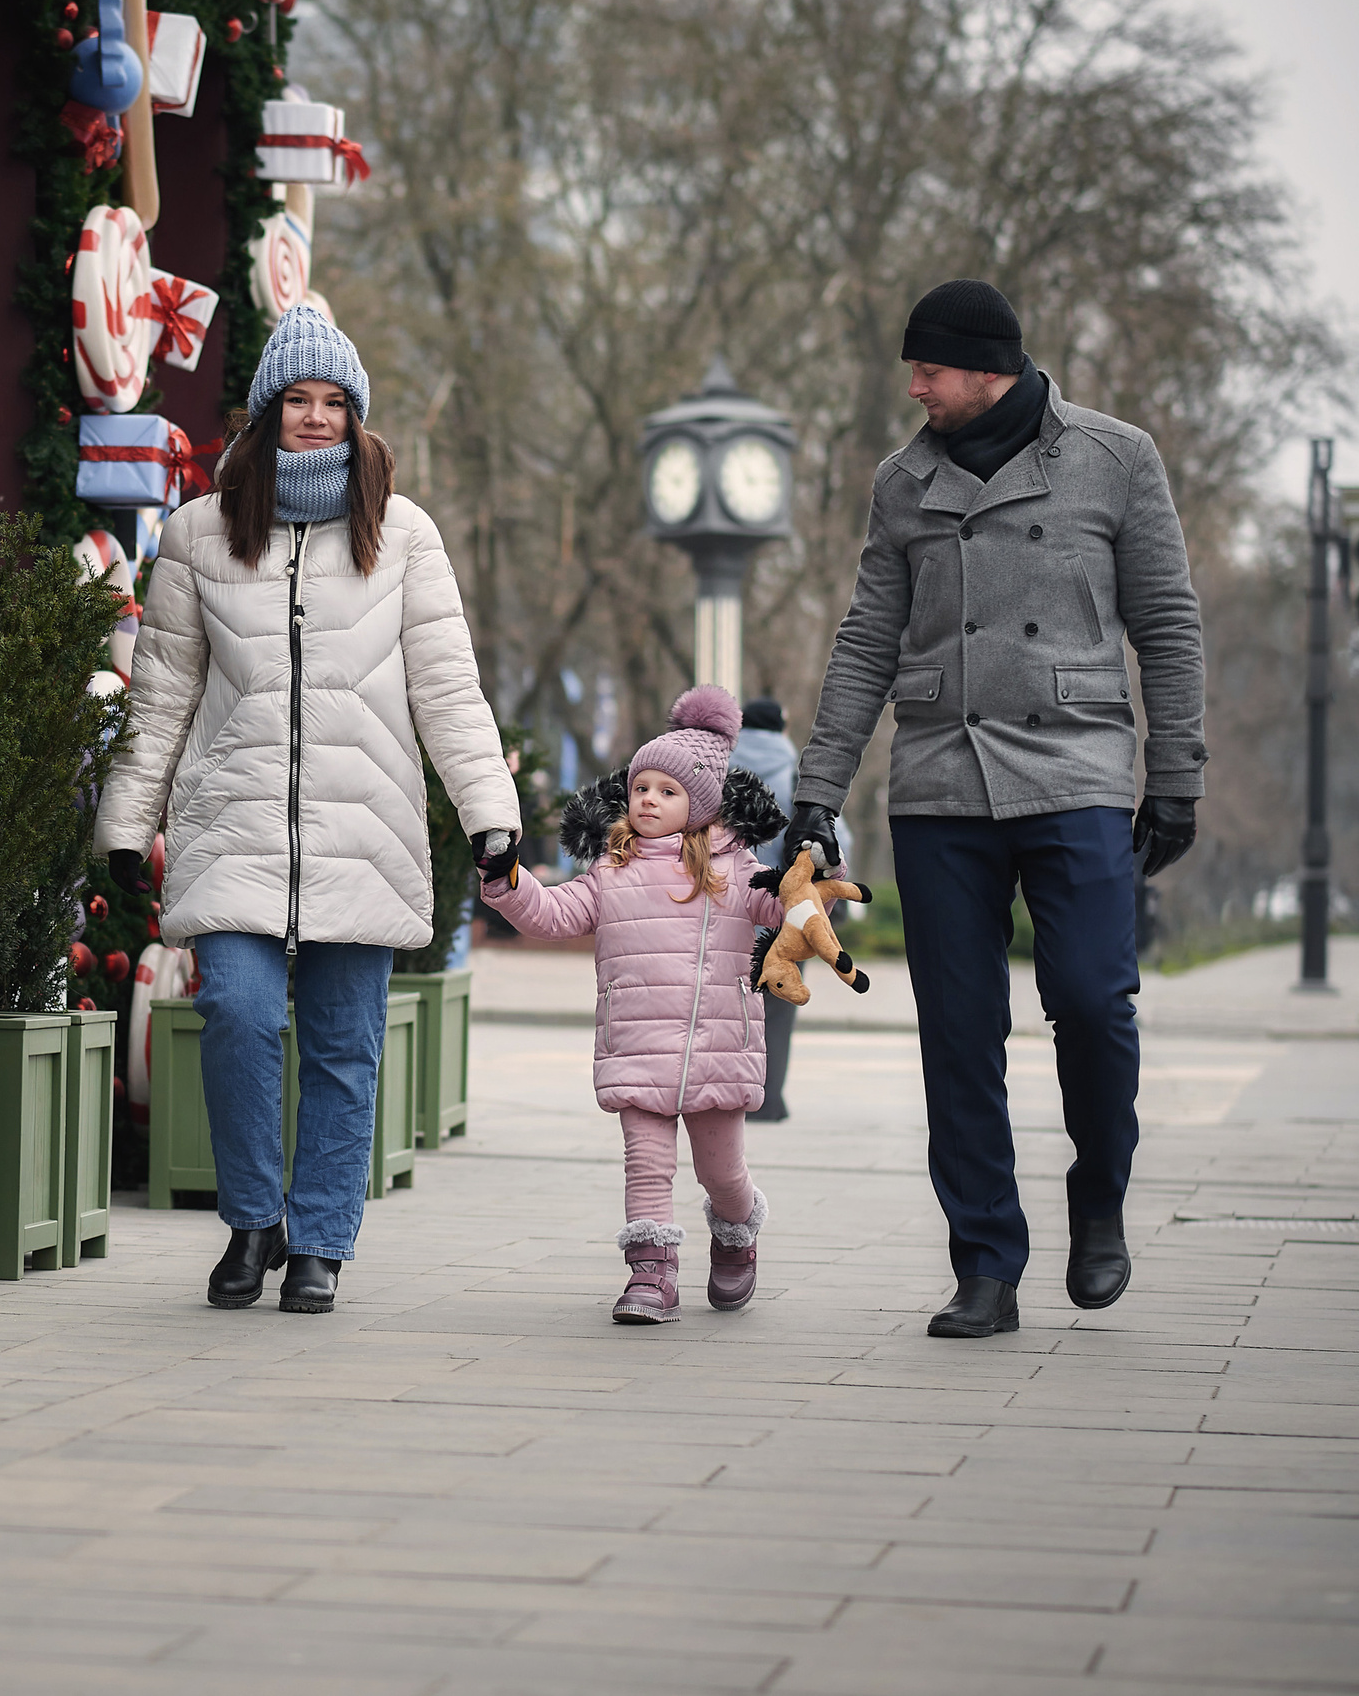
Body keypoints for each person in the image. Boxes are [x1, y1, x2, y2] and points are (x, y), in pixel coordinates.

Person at [783, 279, 1206, 1339]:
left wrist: (1179, 771)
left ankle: (1099, 1192)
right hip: (938, 783)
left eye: (929, 369)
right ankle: (984, 1261)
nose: (914, 386)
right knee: (957, 1033)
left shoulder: (1114, 457)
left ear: (988, 368)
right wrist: (815, 795)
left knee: (1094, 1000)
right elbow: (865, 639)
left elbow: (1165, 620)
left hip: (1077, 769)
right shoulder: (902, 481)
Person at [95, 304, 522, 1315]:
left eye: (335, 403)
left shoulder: (402, 533)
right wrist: (125, 817)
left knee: (344, 1042)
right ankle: (253, 1221)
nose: (317, 418)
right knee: (235, 1015)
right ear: (266, 411)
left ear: (358, 417)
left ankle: (321, 1237)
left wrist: (487, 812)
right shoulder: (198, 534)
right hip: (232, 819)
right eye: (300, 399)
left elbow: (447, 688)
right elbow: (160, 693)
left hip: (362, 825)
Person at [481, 688, 792, 1322]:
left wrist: (813, 887)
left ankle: (737, 1237)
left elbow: (787, 911)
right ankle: (651, 1275)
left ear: (699, 805)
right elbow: (551, 914)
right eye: (641, 786)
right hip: (637, 1050)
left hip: (717, 1056)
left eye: (667, 791)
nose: (647, 799)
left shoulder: (737, 873)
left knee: (721, 1173)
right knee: (646, 1166)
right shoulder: (610, 872)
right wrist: (508, 879)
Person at [727, 697, 849, 1121]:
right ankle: (768, 1099)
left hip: (723, 901)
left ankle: (724, 1095)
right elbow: (835, 840)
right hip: (787, 906)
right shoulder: (801, 776)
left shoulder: (718, 772)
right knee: (778, 1000)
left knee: (723, 999)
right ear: (780, 725)